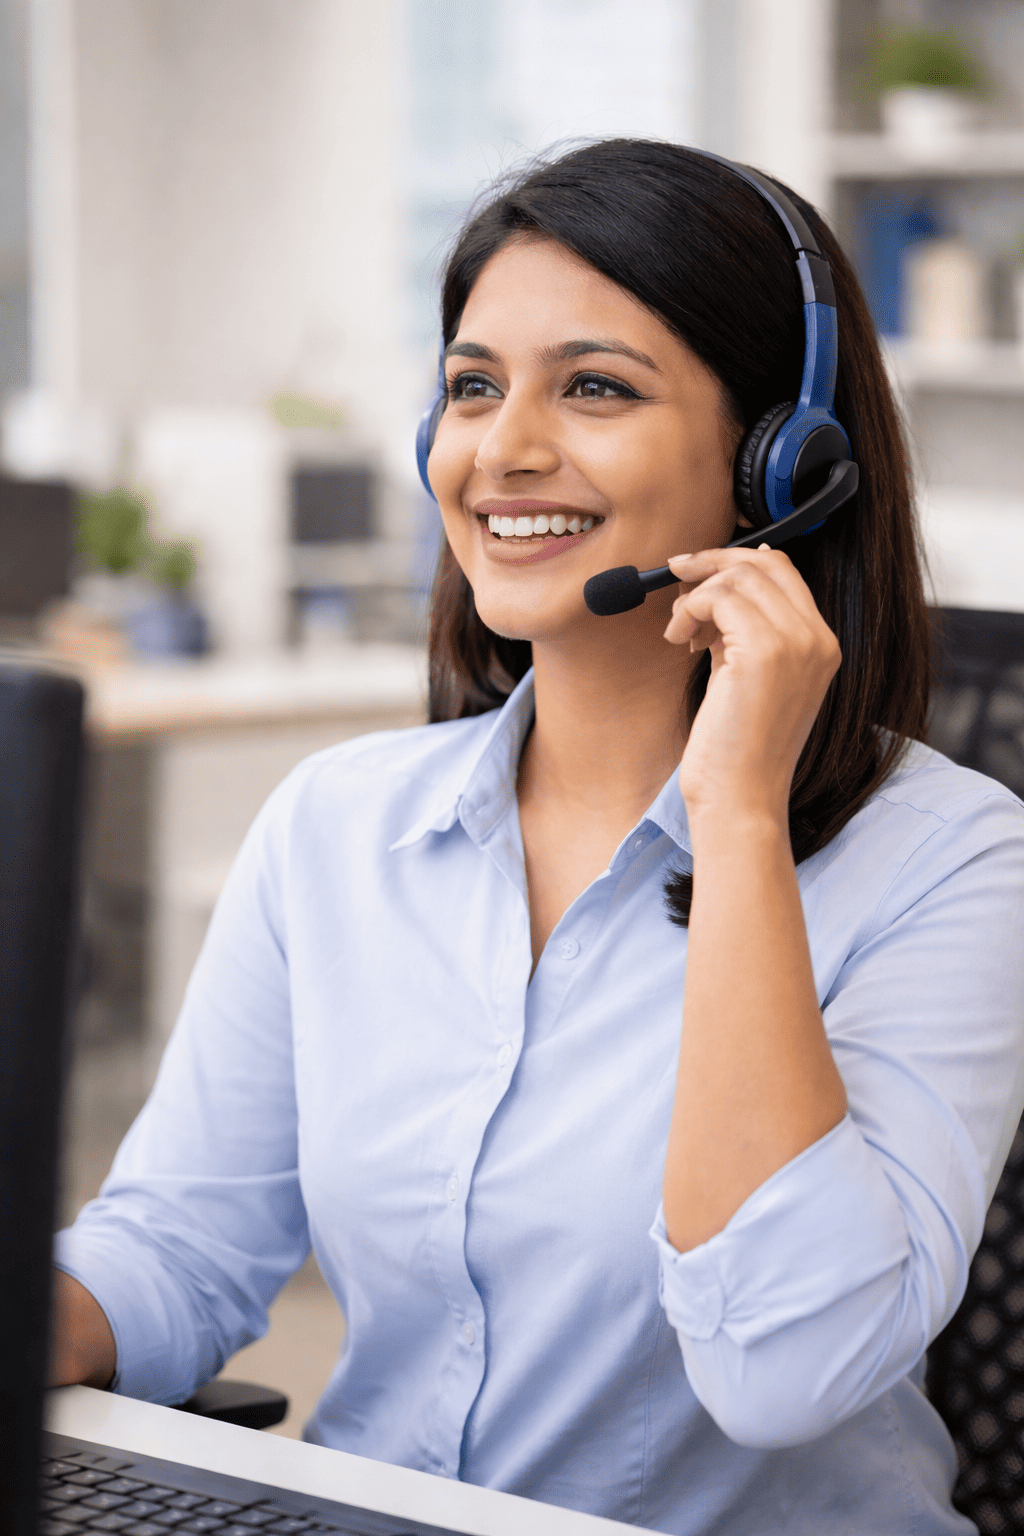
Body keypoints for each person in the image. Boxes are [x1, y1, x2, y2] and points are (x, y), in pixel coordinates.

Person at [53, 141, 1024, 1535]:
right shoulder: (337, 826)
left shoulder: (952, 860)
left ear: (782, 460)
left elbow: (789, 1368)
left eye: (595, 387)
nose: (502, 448)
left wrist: (738, 818)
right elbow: (183, 1242)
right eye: (471, 386)